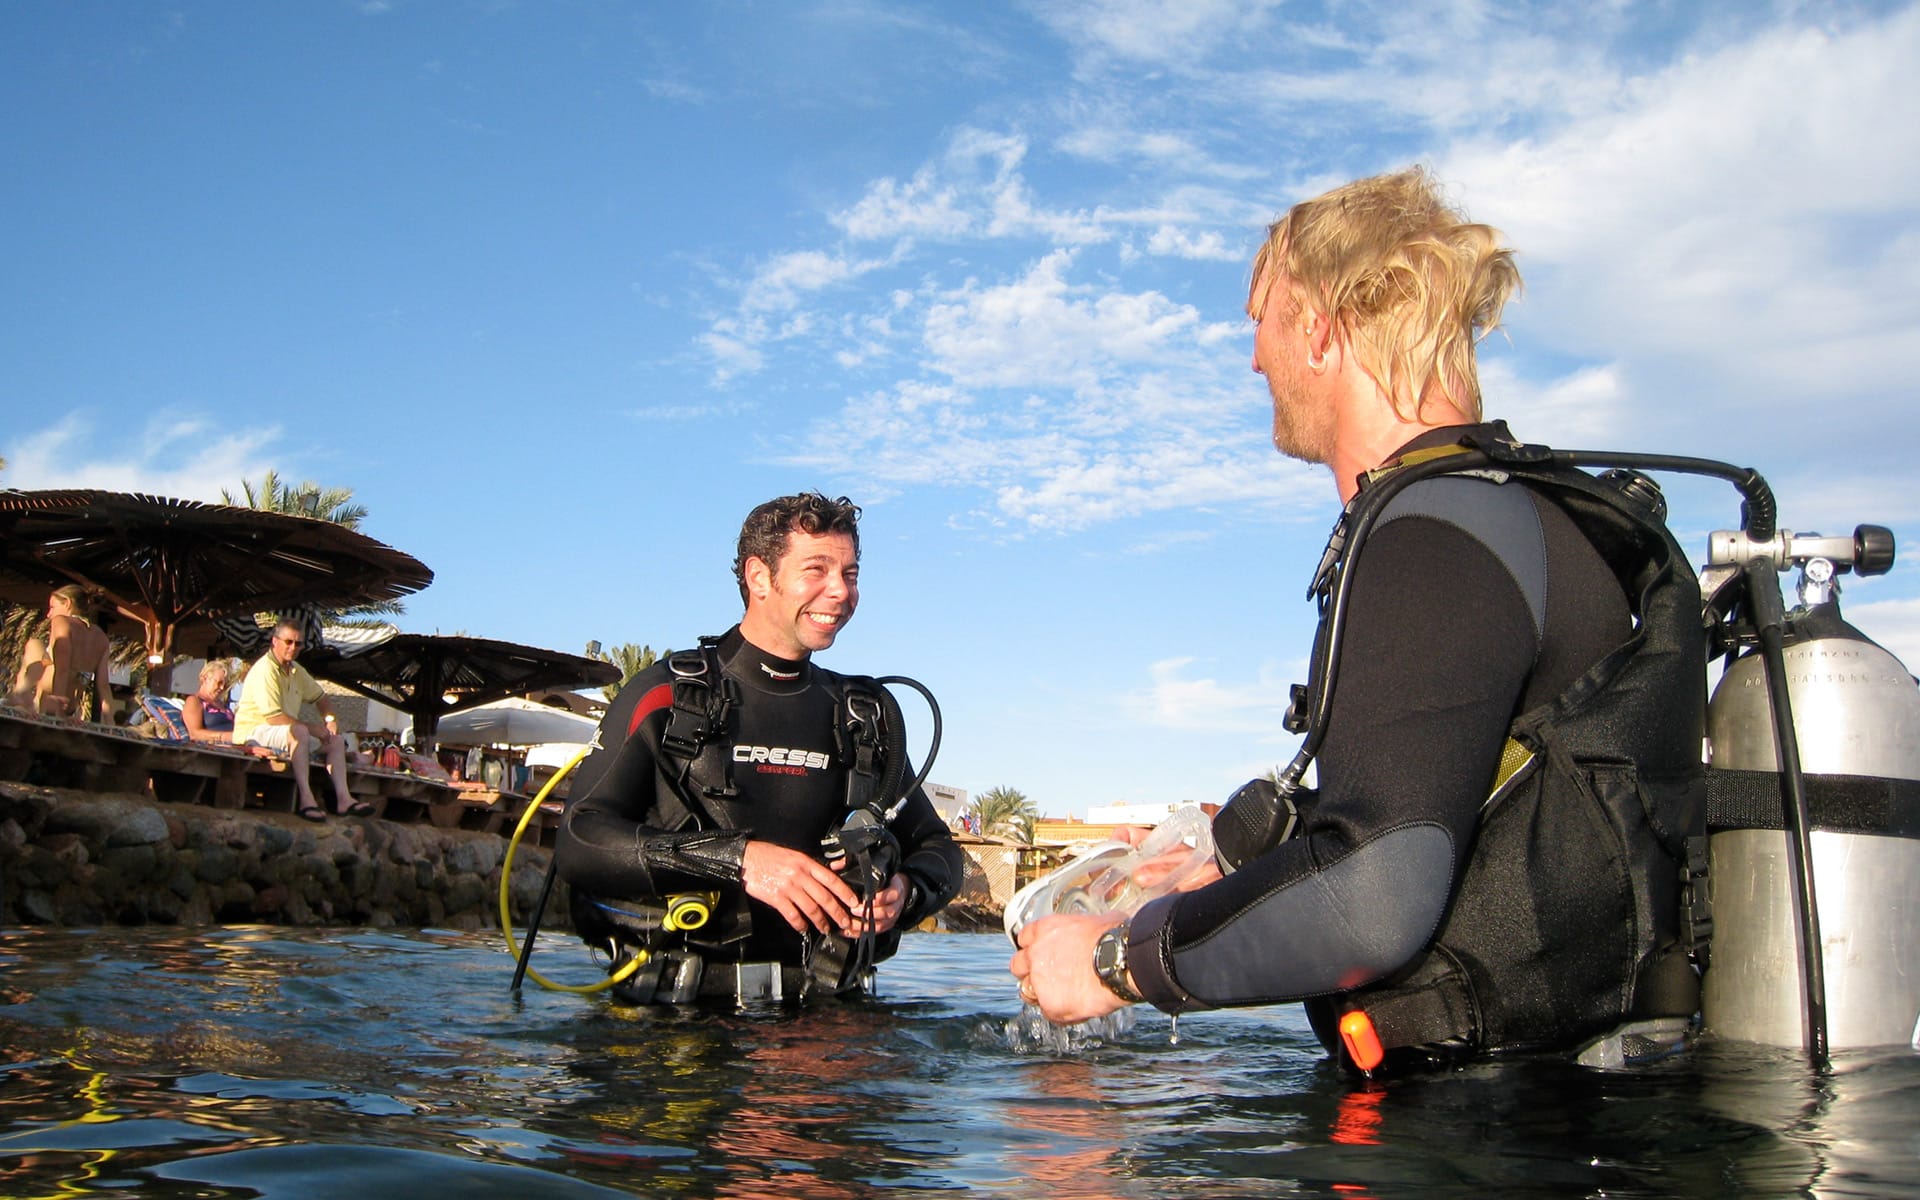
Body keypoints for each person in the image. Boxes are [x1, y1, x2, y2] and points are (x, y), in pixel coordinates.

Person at [1011, 167, 1707, 1070]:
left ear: (1318, 324)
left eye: (1260, 319)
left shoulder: (1435, 530)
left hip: (1496, 1141)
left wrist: (1114, 961)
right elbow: (1463, 800)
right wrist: (1212, 871)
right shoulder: (1500, 517)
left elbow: (1374, 891)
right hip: (1569, 1106)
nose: (1254, 358)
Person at [556, 492, 964, 1006]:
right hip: (676, 1033)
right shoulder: (668, 696)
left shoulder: (863, 715)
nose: (839, 591)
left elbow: (942, 852)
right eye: (816, 569)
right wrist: (742, 861)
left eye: (851, 574)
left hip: (830, 1031)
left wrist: (904, 892)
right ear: (759, 576)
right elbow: (580, 838)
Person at [233, 620, 372, 822]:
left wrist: (330, 720)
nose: (293, 647)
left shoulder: (296, 670)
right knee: (299, 732)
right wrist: (314, 728)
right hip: (255, 733)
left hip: (285, 733)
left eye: (298, 644)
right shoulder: (265, 670)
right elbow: (274, 718)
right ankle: (306, 801)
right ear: (275, 641)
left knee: (335, 741)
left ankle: (344, 800)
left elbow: (321, 697)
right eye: (288, 642)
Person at [6, 585, 115, 721]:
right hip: (71, 707)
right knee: (55, 661)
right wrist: (110, 722)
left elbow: (62, 668)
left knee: (34, 644)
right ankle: (21, 695)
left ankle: (20, 694)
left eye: (52, 607)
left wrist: (56, 712)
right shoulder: (101, 638)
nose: (49, 614)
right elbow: (103, 686)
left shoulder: (62, 622)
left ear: (68, 603)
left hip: (50, 704)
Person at [180, 659, 238, 745]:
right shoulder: (194, 701)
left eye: (224, 685)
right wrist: (225, 737)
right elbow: (194, 734)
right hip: (213, 749)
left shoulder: (222, 705)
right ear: (205, 678)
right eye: (219, 682)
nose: (222, 688)